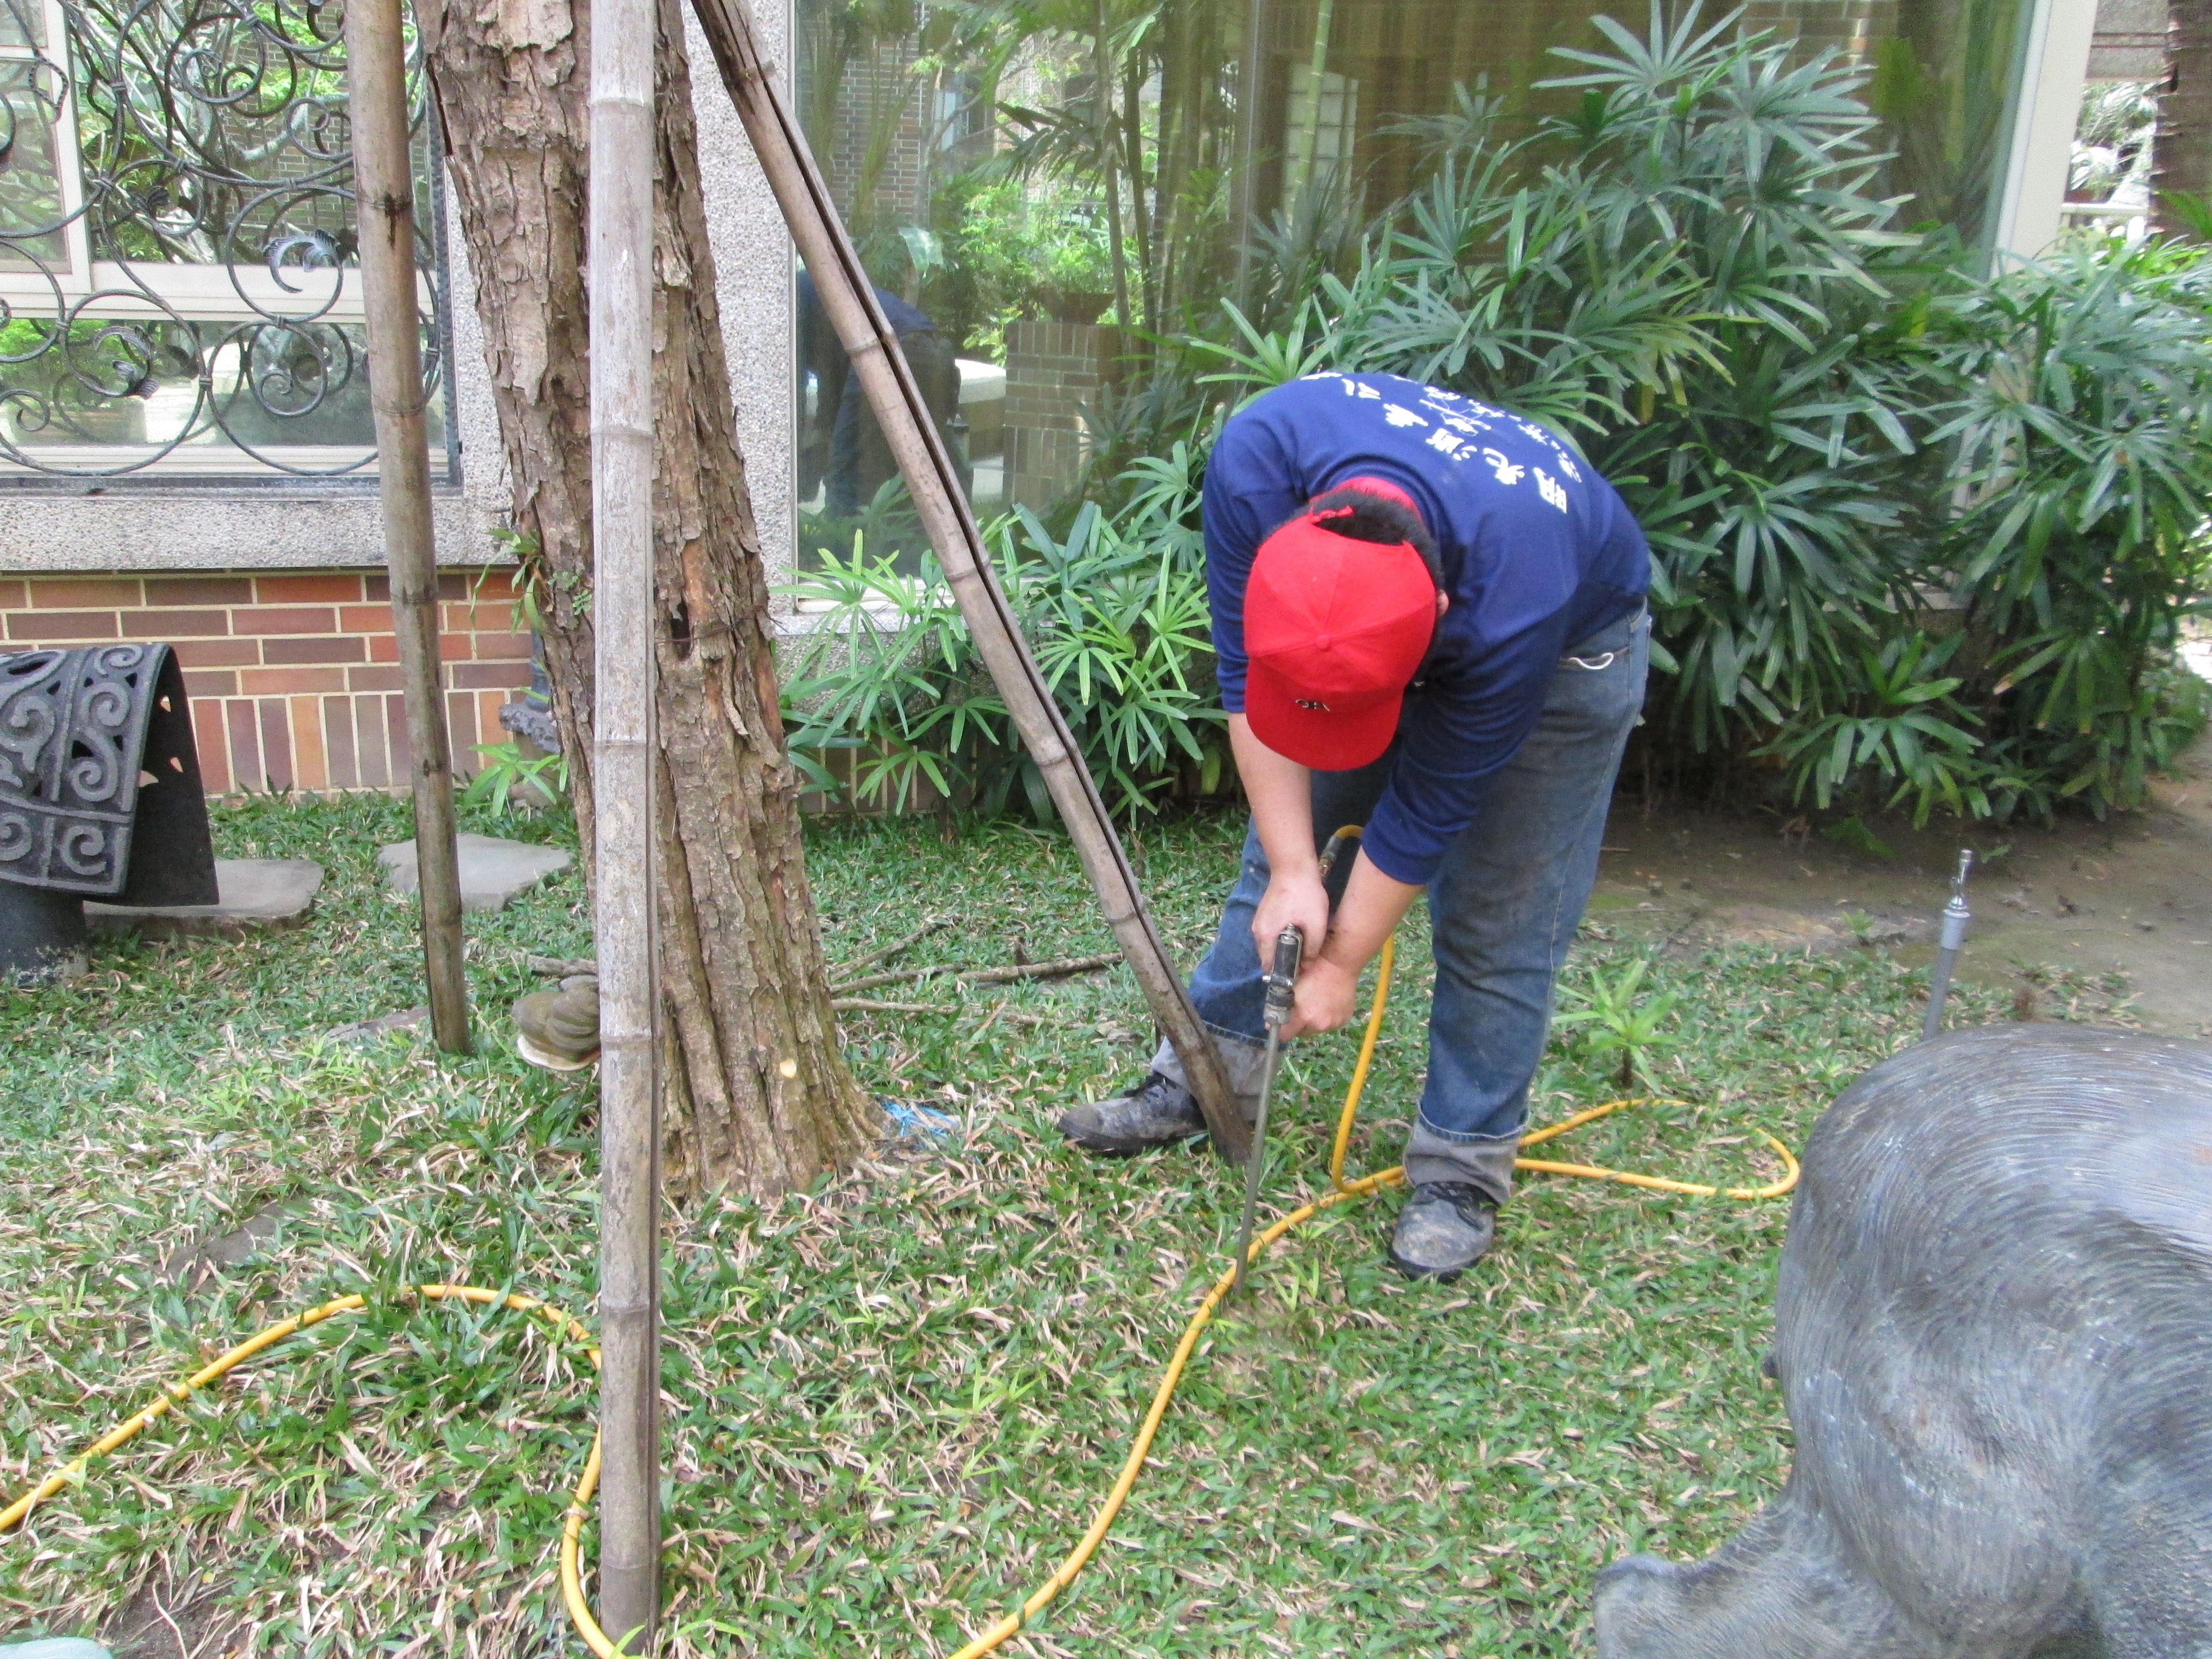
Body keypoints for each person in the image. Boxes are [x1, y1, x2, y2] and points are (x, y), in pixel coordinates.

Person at [1057, 370, 1651, 1282]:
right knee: (1276, 877)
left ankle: (1460, 1169)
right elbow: (1241, 682)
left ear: (1442, 622)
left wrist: (1338, 966)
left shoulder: (1516, 592)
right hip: (1420, 588)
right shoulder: (1259, 464)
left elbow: (1431, 811)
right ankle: (1206, 1080)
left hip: (1570, 652)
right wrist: (1300, 867)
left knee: (1501, 919)